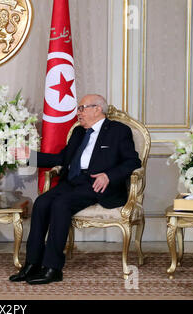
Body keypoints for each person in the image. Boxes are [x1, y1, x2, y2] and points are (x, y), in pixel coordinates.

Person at [9, 94, 141, 285]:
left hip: (96, 184)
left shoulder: (118, 131)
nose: (78, 113)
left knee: (61, 204)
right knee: (42, 202)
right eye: (78, 109)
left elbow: (132, 161)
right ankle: (32, 264)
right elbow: (62, 159)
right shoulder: (79, 132)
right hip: (72, 182)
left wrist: (109, 175)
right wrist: (30, 156)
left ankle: (53, 268)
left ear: (97, 109)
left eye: (82, 108)